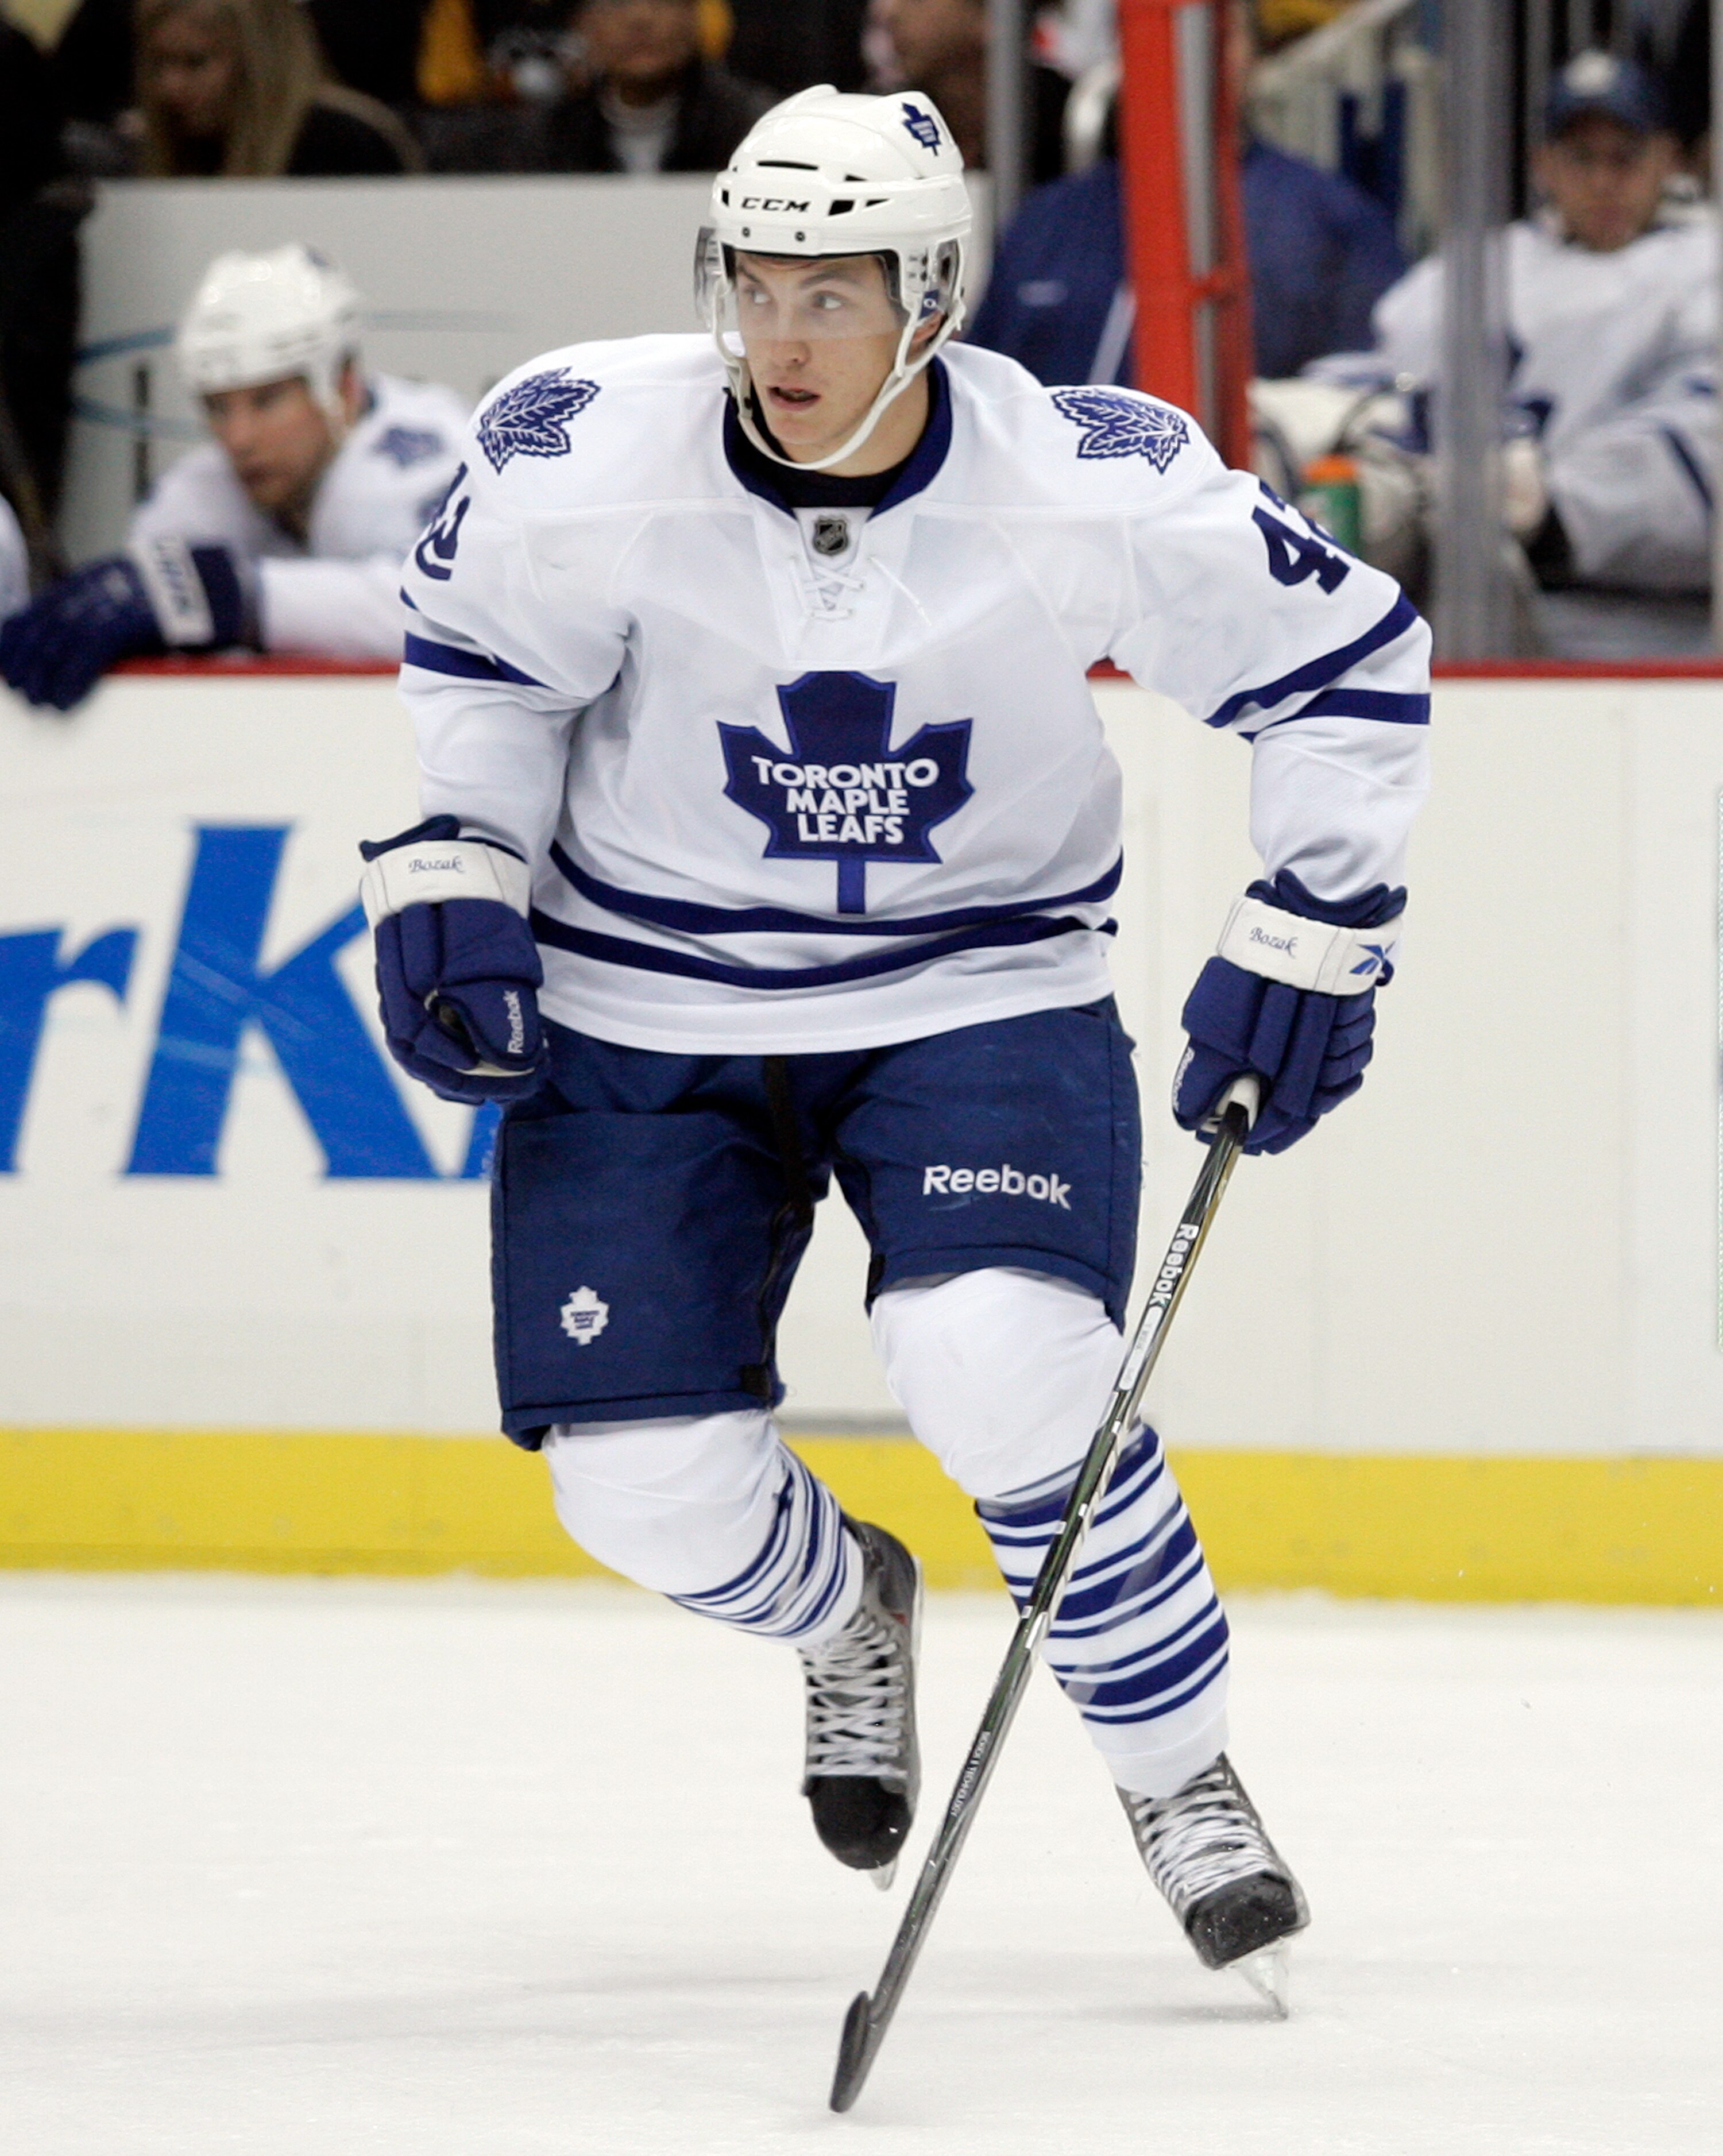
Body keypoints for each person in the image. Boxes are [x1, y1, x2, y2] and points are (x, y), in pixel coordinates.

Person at [360, 86, 1427, 1996]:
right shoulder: (583, 450)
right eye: (754, 284)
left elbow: (1345, 663)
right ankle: (845, 1603)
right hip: (646, 998)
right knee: (639, 1482)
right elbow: (488, 672)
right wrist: (456, 852)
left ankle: (1179, 1774)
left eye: (831, 292)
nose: (780, 337)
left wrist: (1322, 917)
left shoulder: (1077, 471)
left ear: (930, 299)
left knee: (1000, 1352)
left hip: (976, 984)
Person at [1, 246, 468, 710]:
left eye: (267, 400)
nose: (238, 438)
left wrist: (235, 596)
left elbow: (453, 618)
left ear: (343, 389)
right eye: (218, 407)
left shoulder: (432, 455)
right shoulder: (200, 489)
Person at [1351, 51, 1714, 597]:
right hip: (1455, 609)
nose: (1602, 181)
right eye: (1581, 158)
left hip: (1645, 628)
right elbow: (1377, 379)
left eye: (1625, 159)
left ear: (1666, 159)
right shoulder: (1475, 266)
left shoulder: (1705, 263)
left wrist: (1550, 503)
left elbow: (1708, 430)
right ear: (1543, 163)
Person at [134, 0, 420, 177]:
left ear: (258, 59)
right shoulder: (172, 147)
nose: (170, 86)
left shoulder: (344, 143)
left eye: (196, 62)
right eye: (159, 63)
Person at [526, 0, 772, 173]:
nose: (641, 17)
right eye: (616, 3)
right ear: (582, 24)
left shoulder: (759, 131)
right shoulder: (544, 138)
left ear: (695, 17)